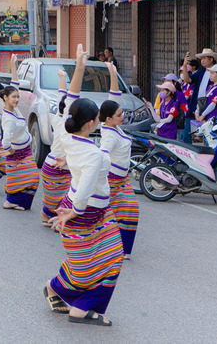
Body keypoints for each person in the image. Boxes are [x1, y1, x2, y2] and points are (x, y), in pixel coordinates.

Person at [45, 98, 124, 327]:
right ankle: (73, 303)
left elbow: (75, 157)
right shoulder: (93, 154)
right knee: (90, 266)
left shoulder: (71, 140)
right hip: (84, 211)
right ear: (90, 123)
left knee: (100, 261)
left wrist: (68, 161)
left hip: (95, 212)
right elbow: (85, 189)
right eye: (98, 119)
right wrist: (73, 212)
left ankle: (70, 298)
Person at [41, 45, 87, 226]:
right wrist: (79, 68)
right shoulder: (68, 121)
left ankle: (48, 218)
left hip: (50, 164)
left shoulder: (57, 118)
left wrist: (62, 78)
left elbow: (64, 96)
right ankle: (60, 223)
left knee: (54, 198)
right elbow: (71, 96)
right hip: (59, 166)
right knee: (71, 197)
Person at [98, 62, 138, 258]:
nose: (123, 117)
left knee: (129, 210)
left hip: (122, 179)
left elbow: (114, 95)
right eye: (119, 115)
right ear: (108, 119)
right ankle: (111, 248)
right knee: (108, 212)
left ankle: (120, 249)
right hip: (113, 180)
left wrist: (112, 72)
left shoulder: (113, 125)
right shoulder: (109, 135)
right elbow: (103, 153)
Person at [0, 79, 40, 211]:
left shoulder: (14, 110)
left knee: (29, 178)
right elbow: (5, 141)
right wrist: (10, 150)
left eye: (17, 96)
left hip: (25, 150)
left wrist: (14, 64)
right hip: (18, 153)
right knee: (28, 177)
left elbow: (14, 85)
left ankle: (15, 202)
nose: (17, 99)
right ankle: (10, 202)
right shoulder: (8, 118)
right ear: (5, 98)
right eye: (14, 97)